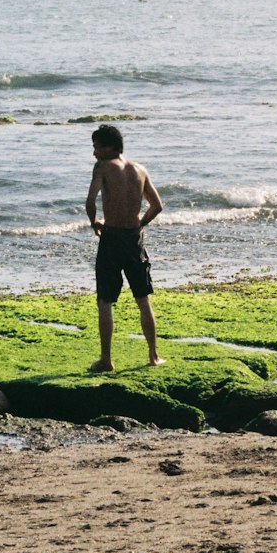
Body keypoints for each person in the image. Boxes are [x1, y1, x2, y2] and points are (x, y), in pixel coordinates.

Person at [84, 124, 164, 371]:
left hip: (111, 238)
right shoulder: (139, 169)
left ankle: (106, 359)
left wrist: (93, 222)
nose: (94, 153)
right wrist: (139, 224)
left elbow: (90, 201)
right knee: (143, 298)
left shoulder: (103, 167)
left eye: (97, 147)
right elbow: (157, 205)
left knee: (105, 300)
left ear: (110, 147)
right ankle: (153, 356)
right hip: (134, 239)